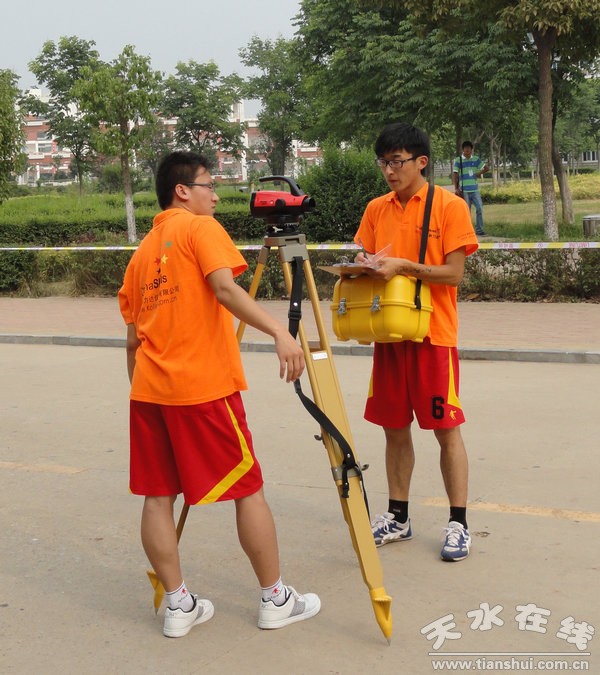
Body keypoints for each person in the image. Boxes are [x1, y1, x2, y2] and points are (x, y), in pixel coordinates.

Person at [118, 150, 320, 638]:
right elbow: (226, 290)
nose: (215, 196)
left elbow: (131, 341)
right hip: (203, 389)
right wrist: (280, 332)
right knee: (248, 490)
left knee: (157, 498)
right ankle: (275, 598)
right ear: (182, 191)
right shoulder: (200, 228)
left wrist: (147, 388)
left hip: (150, 393)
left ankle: (178, 605)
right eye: (209, 185)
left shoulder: (142, 252)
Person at [354, 122, 479, 561]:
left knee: (446, 430)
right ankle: (398, 516)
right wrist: (363, 266)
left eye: (397, 161)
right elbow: (367, 256)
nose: (389, 171)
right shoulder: (376, 208)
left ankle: (459, 523)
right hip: (389, 333)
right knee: (393, 428)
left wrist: (404, 266)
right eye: (383, 162)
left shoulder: (449, 206)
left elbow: (454, 275)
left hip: (433, 335)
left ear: (421, 162)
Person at [453, 140, 489, 236]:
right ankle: (467, 231)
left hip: (475, 190)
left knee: (479, 209)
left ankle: (479, 230)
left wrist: (479, 173)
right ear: (463, 149)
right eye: (465, 148)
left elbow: (486, 168)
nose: (467, 150)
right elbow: (455, 174)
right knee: (466, 211)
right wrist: (456, 188)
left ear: (472, 149)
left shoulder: (476, 159)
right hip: (464, 190)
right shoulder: (458, 160)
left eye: (469, 148)